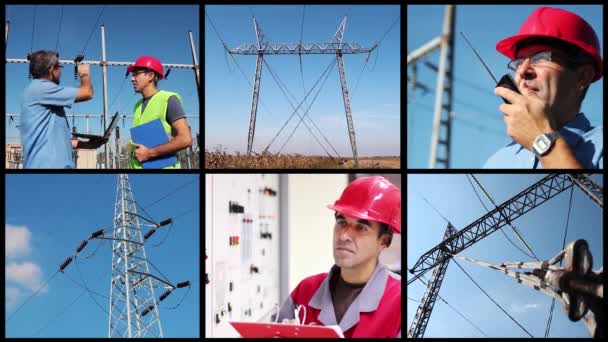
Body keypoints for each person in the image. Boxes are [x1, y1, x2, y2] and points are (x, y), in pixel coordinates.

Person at [274, 176, 401, 338]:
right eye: (341, 222)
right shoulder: (305, 291)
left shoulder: (400, 301)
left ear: (384, 241)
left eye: (361, 228)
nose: (344, 235)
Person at [484, 7, 603, 169]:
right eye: (518, 63)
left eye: (541, 57)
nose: (522, 71)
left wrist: (540, 139)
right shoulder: (496, 163)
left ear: (583, 76)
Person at [20, 50, 102, 168]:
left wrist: (87, 145)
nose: (61, 71)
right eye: (59, 67)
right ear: (51, 69)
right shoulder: (41, 88)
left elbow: (57, 141)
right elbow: (88, 93)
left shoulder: (40, 94)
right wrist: (84, 74)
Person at [127, 56, 192, 168]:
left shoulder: (168, 99)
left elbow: (185, 139)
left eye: (136, 74)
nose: (132, 79)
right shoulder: (137, 106)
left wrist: (149, 153)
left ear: (150, 76)